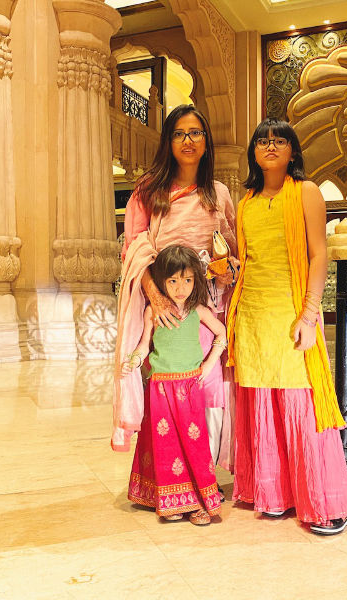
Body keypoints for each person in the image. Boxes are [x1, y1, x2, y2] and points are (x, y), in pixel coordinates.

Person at [226, 118, 347, 535]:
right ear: (253, 152)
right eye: (262, 141)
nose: (270, 147)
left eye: (279, 141)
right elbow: (248, 259)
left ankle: (327, 502)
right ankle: (275, 495)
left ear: (293, 152)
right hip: (251, 313)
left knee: (302, 406)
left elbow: (319, 254)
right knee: (261, 402)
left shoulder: (305, 192)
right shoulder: (245, 202)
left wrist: (309, 314)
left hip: (291, 312)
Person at [113, 105, 236, 477]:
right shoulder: (149, 191)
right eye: (179, 133)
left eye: (195, 132)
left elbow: (231, 249)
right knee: (167, 385)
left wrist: (226, 269)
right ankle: (167, 473)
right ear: (168, 141)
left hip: (207, 304)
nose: (188, 140)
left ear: (206, 141)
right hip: (165, 305)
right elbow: (135, 249)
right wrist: (155, 296)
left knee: (208, 386)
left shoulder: (219, 193)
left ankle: (202, 471)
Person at [122, 245, 226, 525]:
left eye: (188, 280)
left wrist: (208, 364)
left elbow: (221, 333)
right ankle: (171, 500)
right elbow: (144, 345)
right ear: (161, 281)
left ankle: (200, 501)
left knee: (194, 444)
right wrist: (133, 361)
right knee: (166, 445)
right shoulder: (153, 313)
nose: (181, 288)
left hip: (190, 388)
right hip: (160, 389)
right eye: (173, 281)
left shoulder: (198, 311)